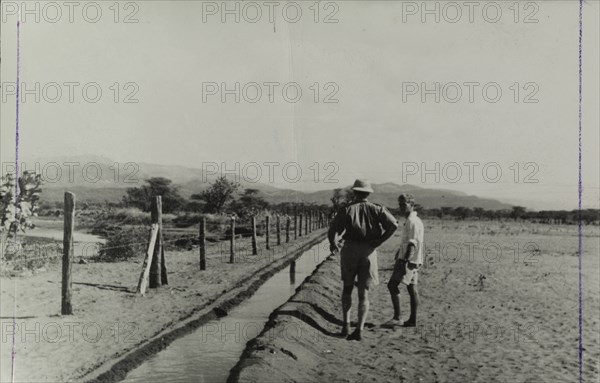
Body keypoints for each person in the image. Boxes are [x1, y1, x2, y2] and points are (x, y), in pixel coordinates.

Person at [328, 179, 398, 341]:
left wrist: (333, 243)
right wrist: (379, 240)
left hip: (350, 250)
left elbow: (333, 231)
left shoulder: (346, 209)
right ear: (368, 193)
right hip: (369, 251)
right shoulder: (377, 209)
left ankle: (345, 326)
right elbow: (394, 225)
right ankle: (358, 329)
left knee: (347, 288)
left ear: (355, 192)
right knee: (363, 293)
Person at [387, 193, 424, 327]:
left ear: (411, 205)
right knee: (412, 288)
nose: (401, 207)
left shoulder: (412, 221)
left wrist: (404, 262)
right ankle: (412, 320)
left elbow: (412, 244)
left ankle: (397, 317)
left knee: (392, 285)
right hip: (413, 260)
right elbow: (408, 242)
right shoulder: (413, 220)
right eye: (400, 204)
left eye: (404, 204)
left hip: (409, 260)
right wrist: (400, 252)